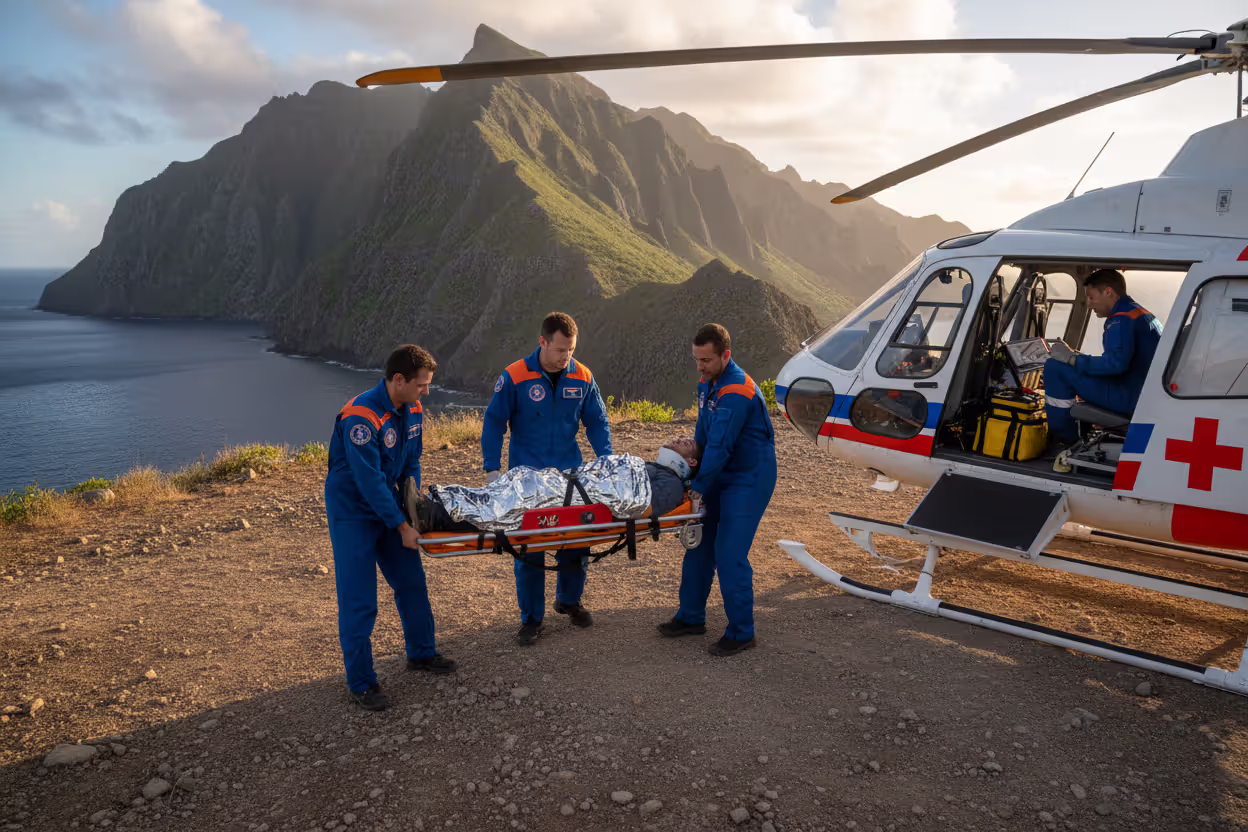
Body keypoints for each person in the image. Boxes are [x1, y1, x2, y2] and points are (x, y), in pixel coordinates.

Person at [325, 345, 456, 711]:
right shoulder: (360, 419)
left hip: (391, 506)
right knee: (359, 599)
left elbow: (411, 461)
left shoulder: (412, 410)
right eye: (422, 385)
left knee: (411, 582)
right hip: (354, 512)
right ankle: (362, 683)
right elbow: (368, 483)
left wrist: (412, 510)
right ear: (399, 380)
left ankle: (421, 654)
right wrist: (402, 527)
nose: (426, 392)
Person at [482, 312, 612, 646]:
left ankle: (568, 600)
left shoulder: (582, 376)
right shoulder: (514, 376)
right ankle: (532, 619)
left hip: (569, 477)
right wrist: (492, 469)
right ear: (542, 342)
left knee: (577, 539)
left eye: (570, 350)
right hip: (526, 479)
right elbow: (494, 422)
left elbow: (597, 421)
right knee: (530, 549)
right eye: (559, 350)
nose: (565, 358)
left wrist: (606, 459)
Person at [657, 324, 778, 656]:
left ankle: (742, 633)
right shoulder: (707, 382)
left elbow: (721, 446)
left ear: (726, 355)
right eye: (697, 359)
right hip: (718, 472)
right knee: (699, 546)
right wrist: (691, 468)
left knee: (729, 554)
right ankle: (691, 617)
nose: (700, 367)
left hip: (748, 478)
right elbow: (703, 432)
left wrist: (696, 489)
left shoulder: (737, 391)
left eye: (707, 360)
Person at [404, 440, 698, 534]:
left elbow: (641, 508)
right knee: (511, 484)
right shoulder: (653, 468)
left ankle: (431, 516)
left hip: (575, 497)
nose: (682, 437)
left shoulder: (672, 485)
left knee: (511, 504)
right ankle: (438, 496)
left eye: (688, 441)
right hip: (570, 482)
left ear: (691, 461)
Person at [1043, 269, 1163, 445]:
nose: (1089, 304)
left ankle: (1064, 439)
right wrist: (1075, 356)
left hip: (1127, 396)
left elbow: (1115, 365)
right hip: (1142, 392)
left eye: (1091, 297)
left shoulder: (1120, 320)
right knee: (1069, 365)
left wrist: (1072, 359)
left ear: (1108, 292)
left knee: (1054, 368)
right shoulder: (1139, 314)